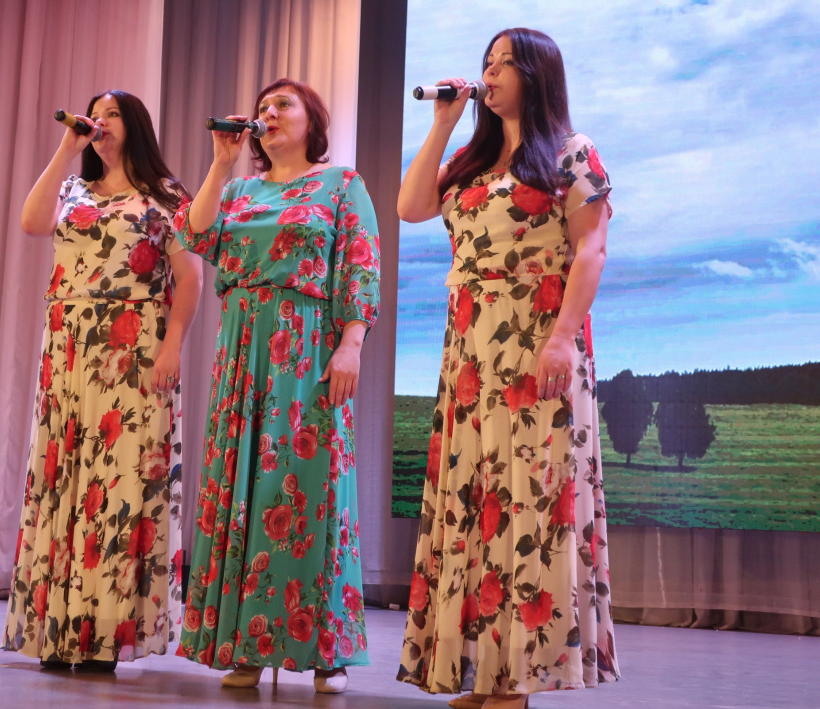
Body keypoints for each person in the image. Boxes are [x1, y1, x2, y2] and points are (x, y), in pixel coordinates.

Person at [395, 29, 621, 709]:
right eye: (485, 64)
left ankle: (519, 674)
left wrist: (561, 339)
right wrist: (442, 123)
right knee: (477, 502)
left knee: (531, 500)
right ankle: (486, 669)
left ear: (536, 74)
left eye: (503, 64)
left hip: (538, 341)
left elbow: (591, 250)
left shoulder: (571, 152)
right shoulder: (471, 160)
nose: (489, 75)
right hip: (472, 350)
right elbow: (411, 207)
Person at [174, 78, 380, 695]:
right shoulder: (238, 190)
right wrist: (220, 163)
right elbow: (194, 235)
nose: (268, 113)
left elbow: (361, 266)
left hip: (308, 346)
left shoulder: (341, 184)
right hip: (243, 350)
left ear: (312, 120)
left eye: (282, 104)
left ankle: (324, 652)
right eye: (262, 106)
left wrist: (351, 344)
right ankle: (245, 643)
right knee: (243, 489)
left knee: (308, 490)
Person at [1, 90, 202, 671]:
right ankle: (57, 628)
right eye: (97, 113)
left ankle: (103, 632)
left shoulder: (166, 195)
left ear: (134, 124)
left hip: (134, 345)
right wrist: (67, 149)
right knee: (64, 479)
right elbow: (31, 222)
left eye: (112, 113)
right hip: (69, 346)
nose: (101, 121)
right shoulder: (73, 188)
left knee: (117, 482)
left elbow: (189, 279)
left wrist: (172, 345)